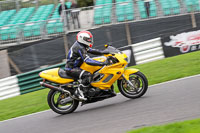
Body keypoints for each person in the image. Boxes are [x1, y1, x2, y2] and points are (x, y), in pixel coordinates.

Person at [65, 31, 109, 100]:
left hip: (77, 66)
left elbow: (92, 50)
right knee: (88, 74)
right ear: (82, 39)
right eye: (88, 39)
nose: (89, 40)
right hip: (71, 69)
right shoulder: (79, 47)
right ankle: (78, 93)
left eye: (89, 39)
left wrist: (103, 52)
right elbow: (87, 60)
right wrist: (101, 63)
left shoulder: (82, 45)